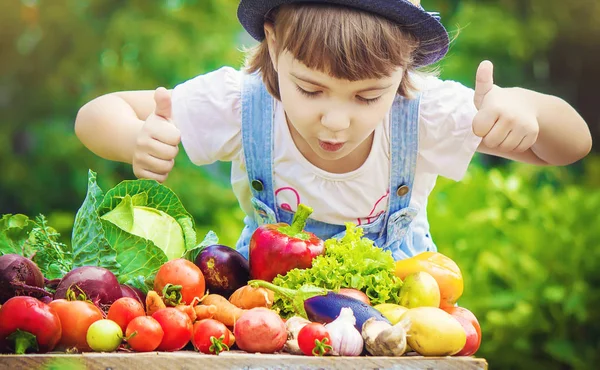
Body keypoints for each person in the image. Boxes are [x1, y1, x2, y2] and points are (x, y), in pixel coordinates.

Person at [74, 0, 592, 261]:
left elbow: (572, 145)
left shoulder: (423, 110)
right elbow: (99, 111)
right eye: (311, 89)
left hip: (403, 316)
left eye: (368, 96)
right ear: (275, 47)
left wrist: (526, 108)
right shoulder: (241, 100)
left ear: (405, 68)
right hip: (269, 317)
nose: (336, 120)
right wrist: (133, 140)